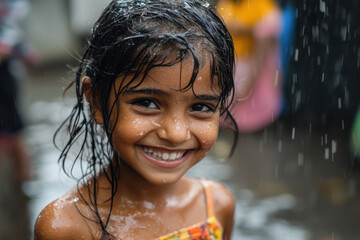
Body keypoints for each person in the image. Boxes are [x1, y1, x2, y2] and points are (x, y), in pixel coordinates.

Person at [34, 0, 237, 239]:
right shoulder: (68, 227)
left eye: (200, 107)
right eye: (147, 103)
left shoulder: (216, 206)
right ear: (96, 101)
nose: (176, 133)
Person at [217, 0, 283, 132]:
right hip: (232, 68)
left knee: (246, 118)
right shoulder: (226, 4)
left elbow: (263, 50)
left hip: (252, 72)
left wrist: (249, 83)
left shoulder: (263, 7)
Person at [0, 0, 35, 183]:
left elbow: (27, 55)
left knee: (13, 130)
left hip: (7, 83)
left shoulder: (11, 18)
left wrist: (19, 51)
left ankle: (23, 177)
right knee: (10, 132)